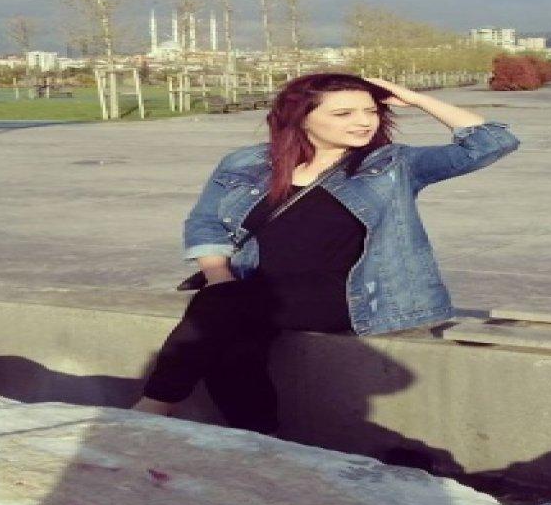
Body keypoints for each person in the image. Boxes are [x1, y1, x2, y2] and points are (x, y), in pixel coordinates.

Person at [131, 73, 520, 434]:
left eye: (370, 111)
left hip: (346, 296)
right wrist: (219, 276)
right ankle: (261, 439)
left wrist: (415, 99)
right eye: (343, 113)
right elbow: (206, 221)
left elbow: (492, 142)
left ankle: (154, 407)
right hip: (255, 289)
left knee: (224, 311)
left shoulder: (392, 164)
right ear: (301, 117)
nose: (363, 122)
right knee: (234, 343)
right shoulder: (247, 162)